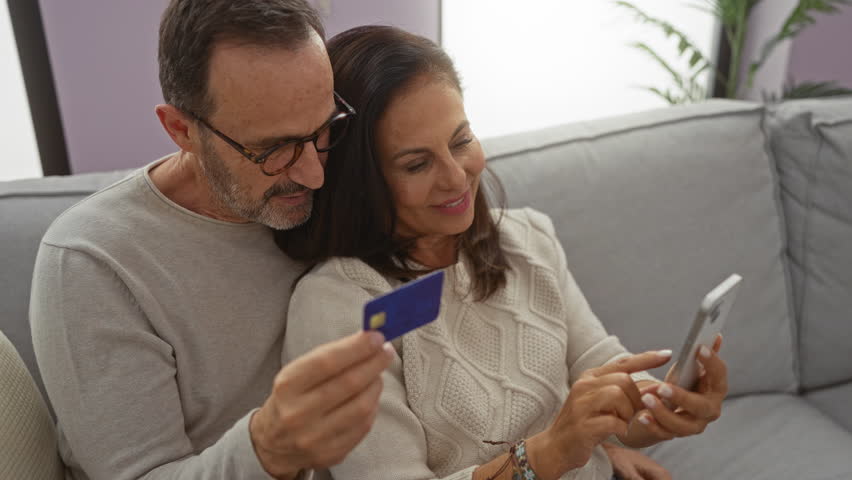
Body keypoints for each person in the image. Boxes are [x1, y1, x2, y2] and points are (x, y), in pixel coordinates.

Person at [278, 26, 729, 480]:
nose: (456, 178)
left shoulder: (528, 238)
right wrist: (550, 452)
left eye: (461, 141)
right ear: (360, 182)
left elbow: (596, 360)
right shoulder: (339, 308)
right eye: (417, 164)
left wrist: (660, 406)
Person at [29, 2, 395, 479]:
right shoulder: (93, 263)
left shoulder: (335, 176)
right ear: (181, 129)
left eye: (324, 129)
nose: (314, 173)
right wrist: (268, 451)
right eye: (273, 149)